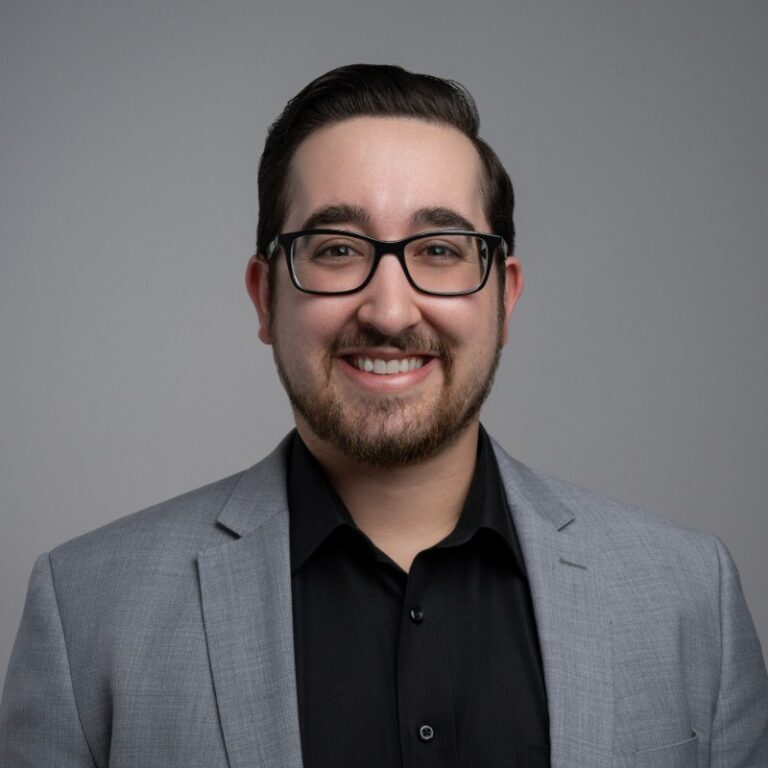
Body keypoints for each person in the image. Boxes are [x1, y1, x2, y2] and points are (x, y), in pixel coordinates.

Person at [1, 63, 766, 768]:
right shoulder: (88, 611)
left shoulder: (689, 596)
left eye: (439, 249)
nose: (391, 309)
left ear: (505, 295)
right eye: (336, 249)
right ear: (265, 297)